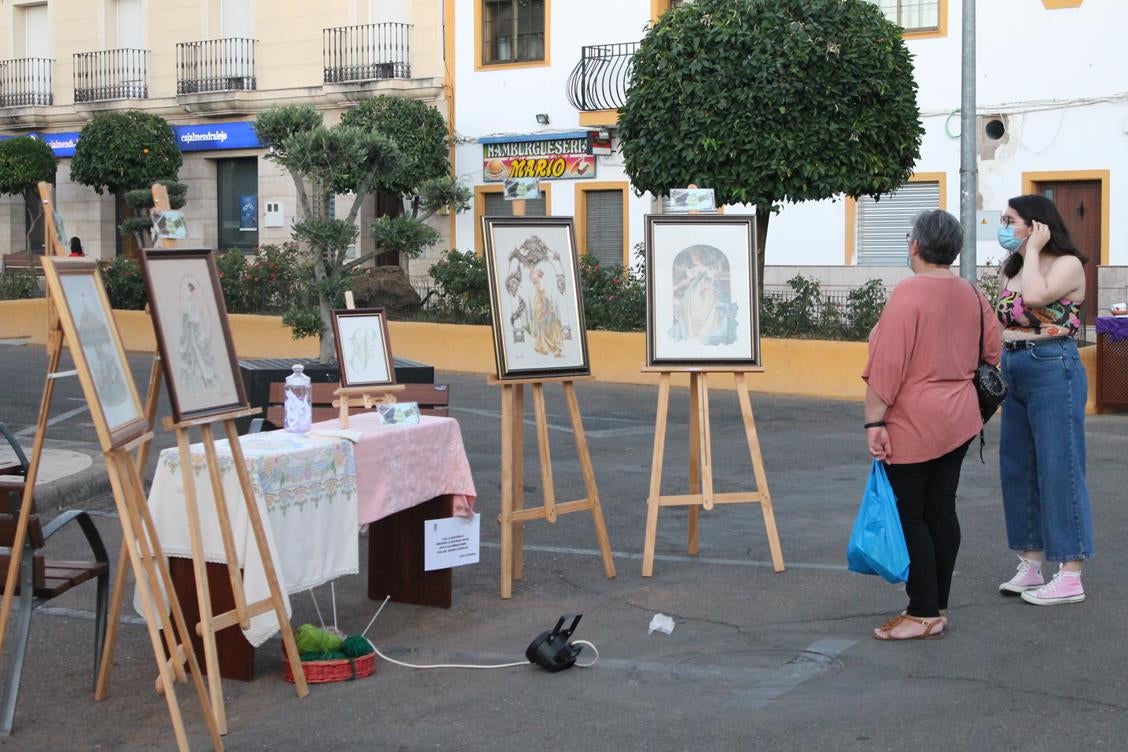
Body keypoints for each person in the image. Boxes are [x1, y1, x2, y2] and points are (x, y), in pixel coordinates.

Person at [862, 209, 1001, 640]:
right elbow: (992, 351)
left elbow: (886, 366)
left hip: (912, 419)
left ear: (916, 246)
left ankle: (921, 611)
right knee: (941, 508)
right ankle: (937, 604)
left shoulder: (908, 294)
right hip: (959, 417)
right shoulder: (970, 294)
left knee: (910, 514)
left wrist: (874, 423)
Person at [994, 194, 1093, 605]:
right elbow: (1002, 315)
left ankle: (1070, 572)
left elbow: (1034, 298)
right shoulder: (1011, 267)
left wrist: (1033, 250)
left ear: (1037, 225)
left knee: (1060, 465)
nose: (1003, 226)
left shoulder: (1067, 264)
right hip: (1013, 365)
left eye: (1010, 220)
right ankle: (1031, 562)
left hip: (1053, 365)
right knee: (1017, 466)